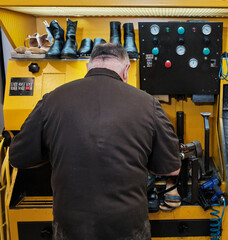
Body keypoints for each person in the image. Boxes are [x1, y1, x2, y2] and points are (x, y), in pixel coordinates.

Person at [9, 43, 181, 240]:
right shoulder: (148, 104)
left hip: (71, 228)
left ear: (88, 67)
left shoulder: (52, 100)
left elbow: (17, 158)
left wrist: (54, 151)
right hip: (127, 228)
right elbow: (172, 169)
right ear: (126, 70)